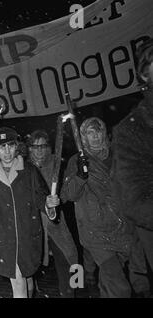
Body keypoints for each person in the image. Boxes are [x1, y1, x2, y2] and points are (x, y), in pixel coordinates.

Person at [0, 127, 60, 298]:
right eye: (2, 147)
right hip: (2, 236)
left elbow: (41, 198)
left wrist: (49, 204)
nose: (7, 151)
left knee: (26, 278)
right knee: (18, 280)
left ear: (17, 146)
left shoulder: (29, 171)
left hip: (27, 233)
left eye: (10, 145)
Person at [61, 117, 143, 298]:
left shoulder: (118, 155)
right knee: (120, 287)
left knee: (110, 282)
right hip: (96, 234)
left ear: (105, 133)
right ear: (83, 137)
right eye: (90, 133)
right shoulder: (77, 160)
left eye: (99, 132)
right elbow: (68, 194)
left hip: (123, 229)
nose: (96, 137)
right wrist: (81, 176)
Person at [111, 38, 153, 296]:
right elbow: (134, 200)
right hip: (111, 232)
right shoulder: (132, 131)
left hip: (121, 231)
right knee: (118, 281)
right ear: (145, 76)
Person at [26, 130, 79, 297]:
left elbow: (67, 191)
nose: (39, 150)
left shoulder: (57, 164)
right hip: (33, 222)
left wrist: (58, 199)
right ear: (29, 148)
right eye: (35, 146)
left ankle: (74, 290)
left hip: (55, 220)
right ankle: (30, 290)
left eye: (43, 146)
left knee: (70, 257)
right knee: (29, 263)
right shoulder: (23, 167)